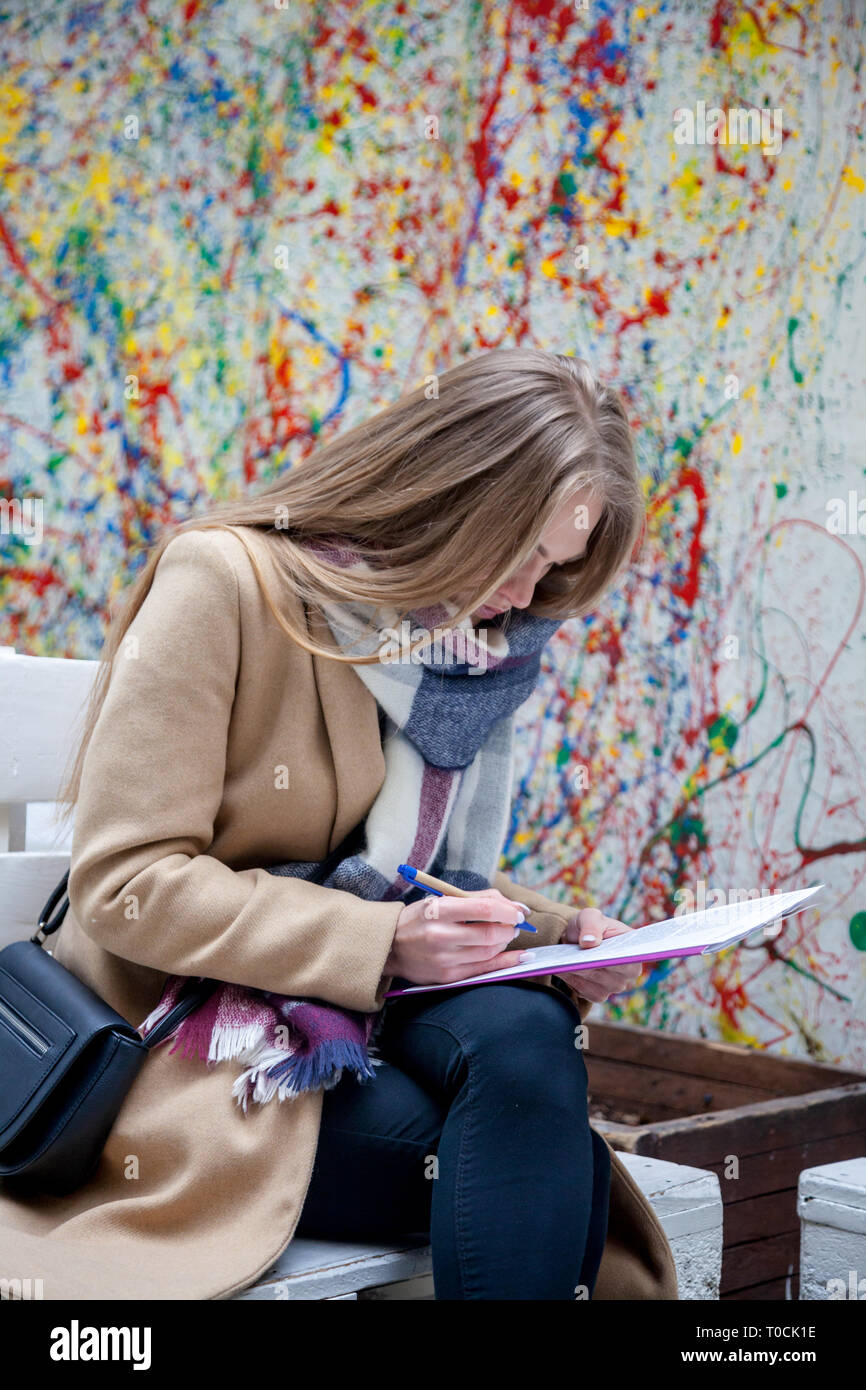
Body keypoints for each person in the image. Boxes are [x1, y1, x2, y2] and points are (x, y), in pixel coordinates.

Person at [0, 347, 677, 1301]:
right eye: (525, 552)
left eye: (555, 570)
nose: (528, 596)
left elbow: (389, 871)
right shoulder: (226, 583)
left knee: (528, 1029)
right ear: (452, 493)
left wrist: (561, 939)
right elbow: (129, 885)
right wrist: (386, 941)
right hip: (189, 1041)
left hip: (354, 1009)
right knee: (531, 1137)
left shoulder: (461, 654)